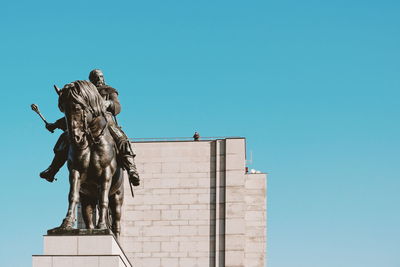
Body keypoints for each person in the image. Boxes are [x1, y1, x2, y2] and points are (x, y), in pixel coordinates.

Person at [40, 69, 140, 186]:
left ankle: (131, 168)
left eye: (101, 77)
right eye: (96, 77)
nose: (99, 79)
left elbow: (117, 106)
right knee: (65, 138)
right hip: (86, 124)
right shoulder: (84, 93)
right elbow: (76, 114)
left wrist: (109, 104)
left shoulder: (109, 90)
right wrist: (56, 124)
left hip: (106, 121)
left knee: (122, 138)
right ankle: (53, 169)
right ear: (91, 80)